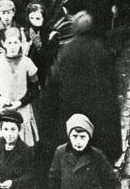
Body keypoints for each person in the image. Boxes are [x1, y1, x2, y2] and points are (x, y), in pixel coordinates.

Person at [46, 11, 122, 163]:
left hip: (75, 106)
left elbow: (54, 79)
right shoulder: (101, 48)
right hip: (100, 106)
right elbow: (114, 78)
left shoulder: (67, 51)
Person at [0, 27, 40, 147]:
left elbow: (34, 88)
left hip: (21, 107)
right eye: (9, 43)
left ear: (21, 43)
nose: (13, 46)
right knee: (1, 140)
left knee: (22, 140)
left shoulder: (27, 62)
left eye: (16, 42)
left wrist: (21, 102)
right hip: (1, 106)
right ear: (3, 43)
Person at [48, 113, 118, 188]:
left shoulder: (97, 155)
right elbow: (54, 179)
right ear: (69, 136)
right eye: (74, 136)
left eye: (82, 137)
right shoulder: (61, 152)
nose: (78, 141)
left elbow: (110, 180)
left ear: (89, 137)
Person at [0, 109, 35, 189]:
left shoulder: (25, 149)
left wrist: (13, 183)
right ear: (1, 130)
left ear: (19, 129)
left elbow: (29, 175)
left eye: (13, 129)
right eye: (5, 129)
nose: (9, 134)